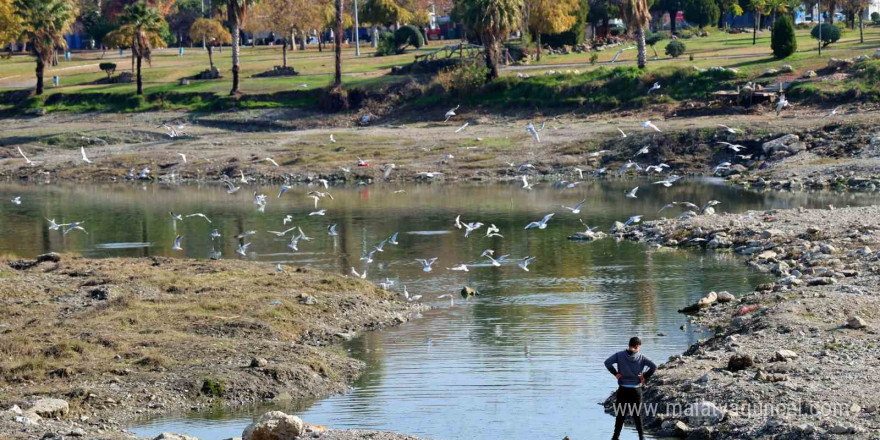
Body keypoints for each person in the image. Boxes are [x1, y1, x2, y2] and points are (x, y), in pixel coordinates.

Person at [604, 337, 657, 440]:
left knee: (620, 415)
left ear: (629, 345)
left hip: (623, 390)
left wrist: (616, 374)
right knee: (637, 415)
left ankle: (615, 437)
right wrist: (644, 377)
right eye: (639, 347)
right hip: (636, 391)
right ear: (637, 346)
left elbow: (607, 363)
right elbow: (654, 367)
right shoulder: (641, 357)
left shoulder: (619, 355)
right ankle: (641, 437)